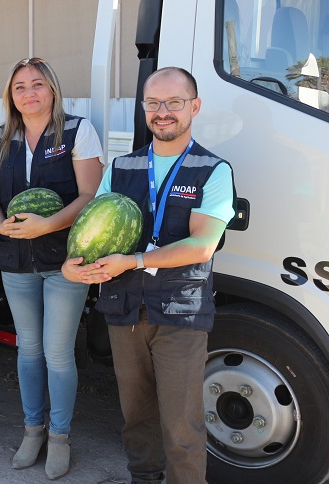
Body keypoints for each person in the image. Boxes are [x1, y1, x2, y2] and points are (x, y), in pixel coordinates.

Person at [62, 66, 236, 484]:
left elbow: (202, 245)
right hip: (125, 308)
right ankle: (144, 478)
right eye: (153, 103)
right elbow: (91, 228)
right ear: (144, 108)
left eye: (174, 102)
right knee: (135, 414)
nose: (163, 112)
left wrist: (134, 261)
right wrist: (73, 263)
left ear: (194, 106)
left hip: (179, 312)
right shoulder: (123, 167)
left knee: (181, 423)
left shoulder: (212, 170)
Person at [0, 58, 103, 479]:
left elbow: (89, 195)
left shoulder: (77, 131)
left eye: (37, 84)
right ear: (10, 95)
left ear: (52, 89)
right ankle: (32, 430)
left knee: (57, 352)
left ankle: (60, 436)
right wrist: (1, 226)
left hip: (67, 261)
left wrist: (47, 224)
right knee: (28, 348)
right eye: (20, 86)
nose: (29, 92)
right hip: (16, 260)